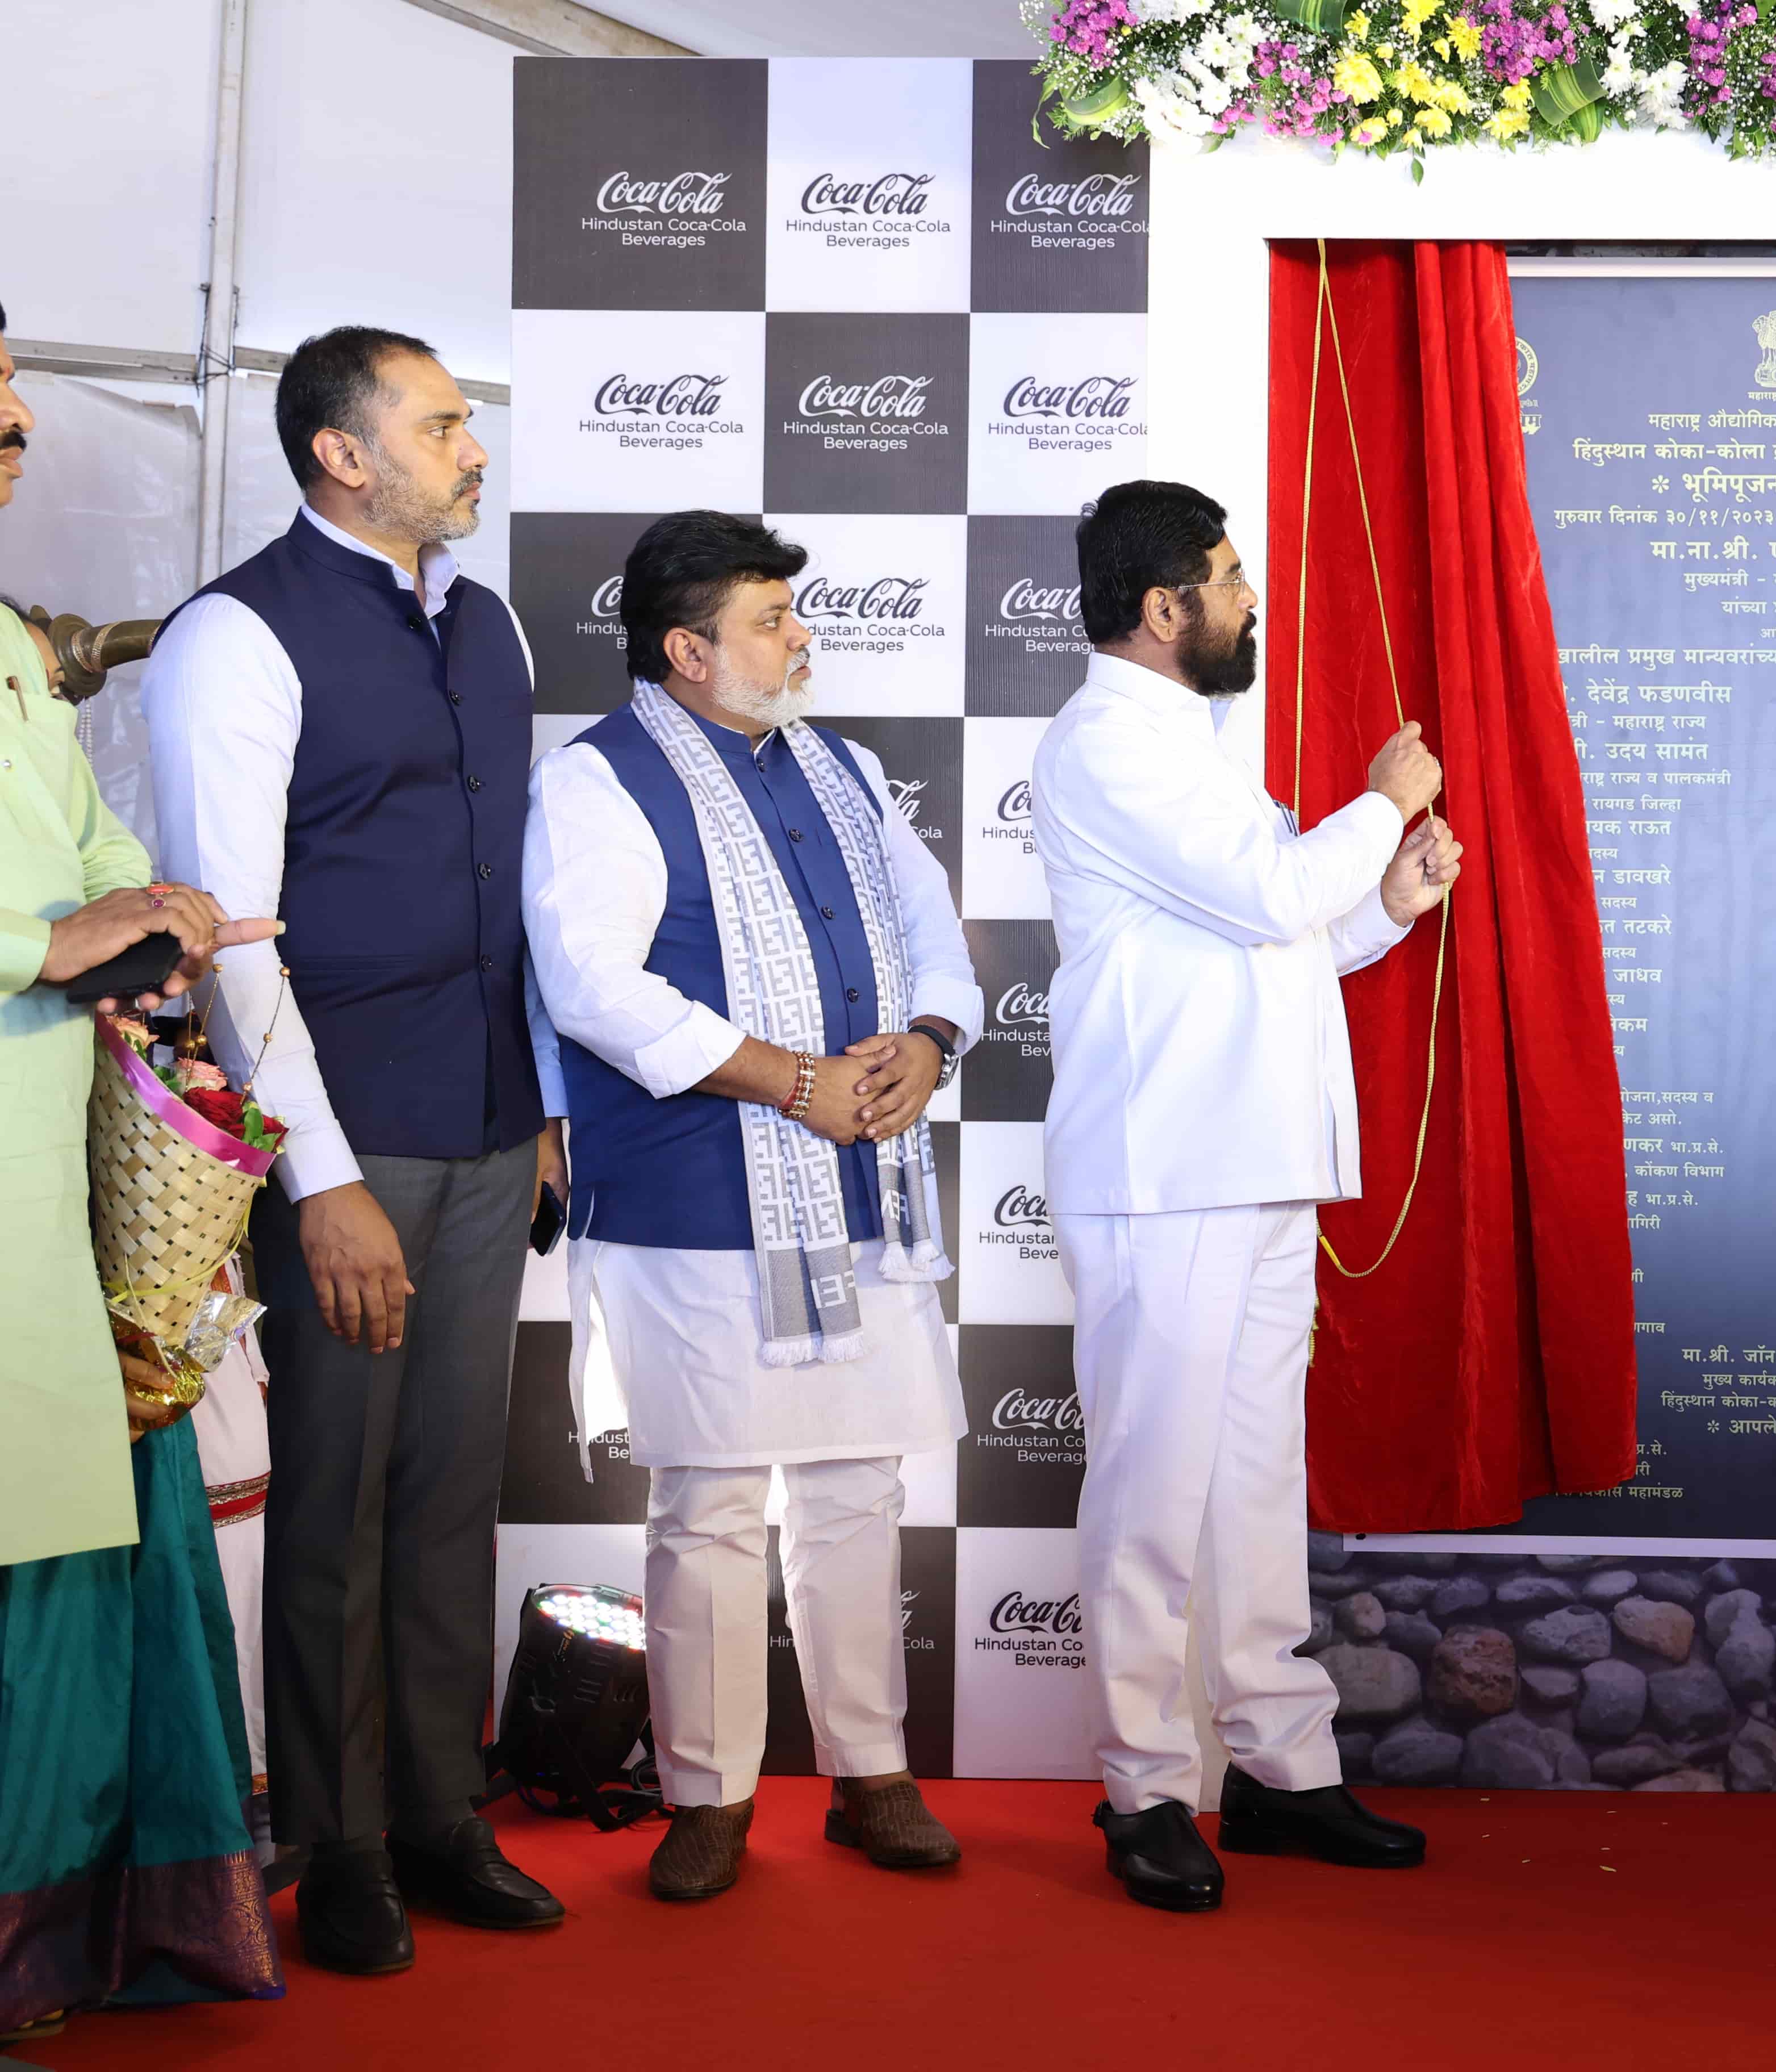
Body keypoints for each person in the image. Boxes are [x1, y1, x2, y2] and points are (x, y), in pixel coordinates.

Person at [144, 324, 569, 1973]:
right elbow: (228, 943)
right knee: (333, 1503)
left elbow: (511, 894)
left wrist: (542, 1105)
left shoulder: (487, 619)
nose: (474, 449)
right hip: (343, 1143)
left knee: (452, 1490)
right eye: (444, 424)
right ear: (343, 452)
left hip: (489, 1129)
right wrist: (316, 1178)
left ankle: (442, 1813)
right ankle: (335, 1845)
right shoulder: (236, 634)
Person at [523, 511, 973, 1900]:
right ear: (688, 651)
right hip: (689, 1193)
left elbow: (933, 929)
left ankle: (871, 1775)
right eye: (772, 621)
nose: (800, 640)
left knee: (857, 1489)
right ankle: (707, 1795)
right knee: (710, 1502)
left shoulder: (844, 770)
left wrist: (932, 1041)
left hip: (856, 1180)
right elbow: (593, 985)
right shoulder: (597, 780)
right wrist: (792, 1082)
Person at [1029, 479, 1461, 1911]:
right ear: (1165, 608)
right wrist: (1384, 803)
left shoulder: (1195, 745)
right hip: (1166, 1171)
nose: (1251, 597)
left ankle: (1281, 1768)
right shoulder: (1109, 742)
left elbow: (1280, 939)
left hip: (1253, 1158)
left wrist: (1386, 902)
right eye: (1229, 577)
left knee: (1257, 1485)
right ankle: (1146, 1788)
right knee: (1154, 1489)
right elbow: (1275, 897)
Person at [0, 308, 284, 2044]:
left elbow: (89, 847)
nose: (19, 422)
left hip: (49, 1185)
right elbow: (43, 914)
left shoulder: (11, 647)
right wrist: (45, 943)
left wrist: (156, 909)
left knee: (61, 1543)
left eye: (14, 389)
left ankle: (46, 1942)